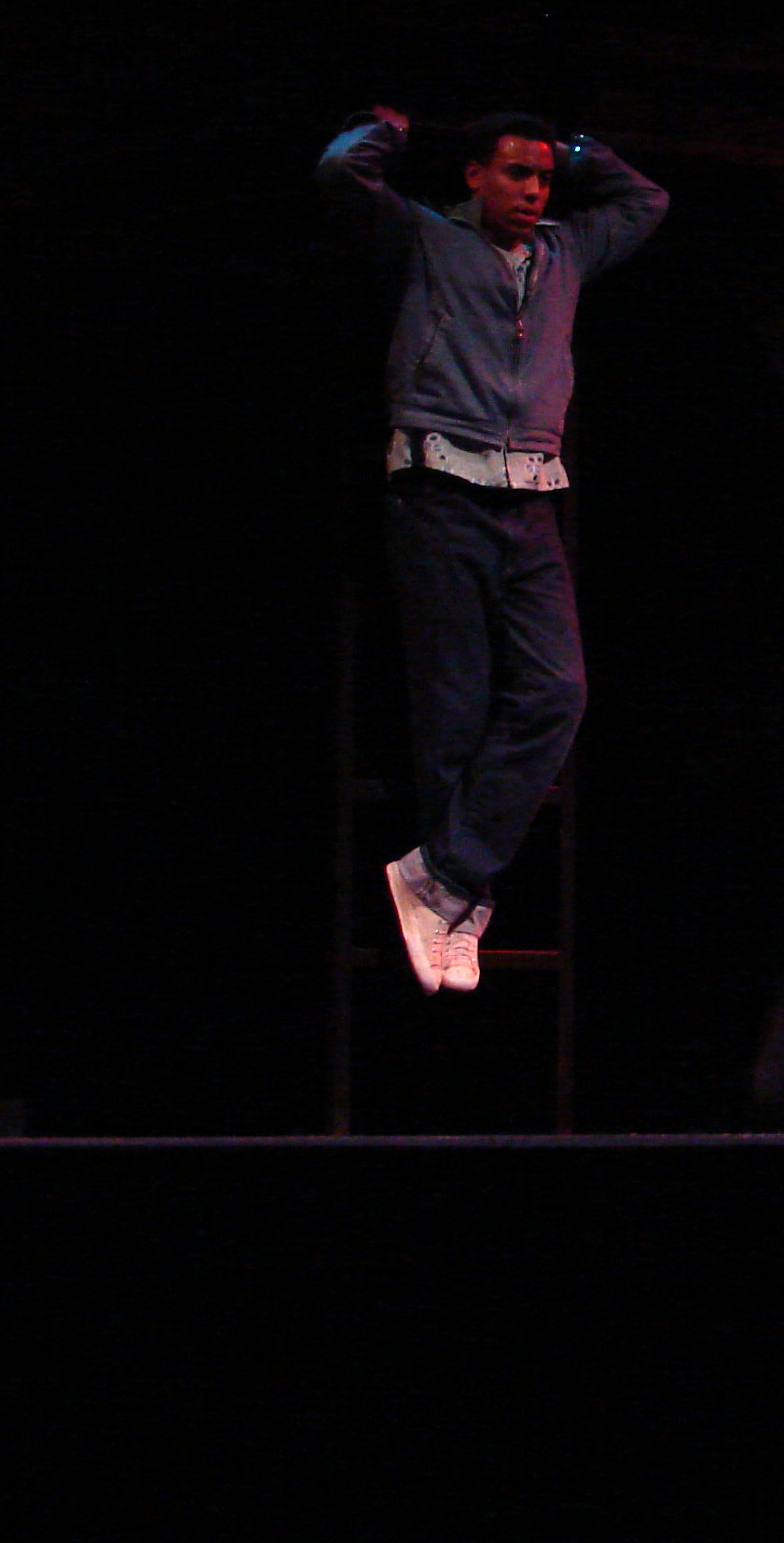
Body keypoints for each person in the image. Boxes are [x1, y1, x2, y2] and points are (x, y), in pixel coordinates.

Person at [315, 107, 670, 994]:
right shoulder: (429, 238)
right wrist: (386, 131)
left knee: (559, 691)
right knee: (457, 708)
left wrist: (582, 153)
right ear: (475, 176)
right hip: (439, 485)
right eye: (518, 173)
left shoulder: (565, 251)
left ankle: (443, 876)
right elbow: (339, 177)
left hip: (531, 496)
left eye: (544, 178)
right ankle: (460, 903)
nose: (534, 191)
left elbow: (648, 202)